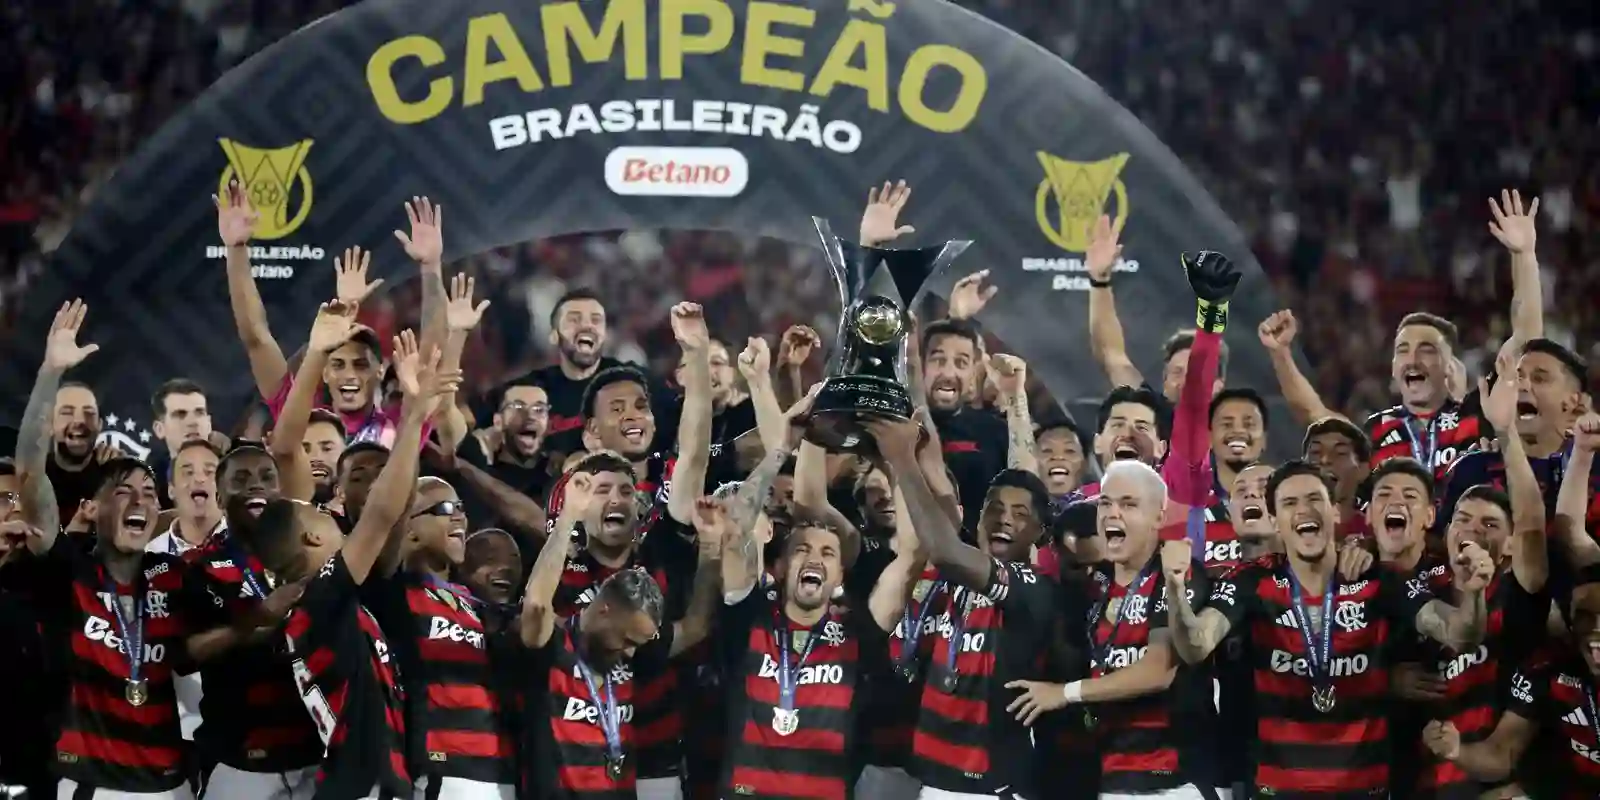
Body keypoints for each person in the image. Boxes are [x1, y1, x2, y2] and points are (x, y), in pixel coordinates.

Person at [1161, 460, 1495, 796]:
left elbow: (1460, 635)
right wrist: (1175, 590)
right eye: (1290, 504)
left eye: (1314, 499)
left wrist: (1474, 593)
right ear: (1275, 521)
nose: (1304, 510)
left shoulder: (1380, 579)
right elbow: (1195, 645)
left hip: (1364, 790)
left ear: (1335, 511)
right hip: (1278, 790)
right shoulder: (1251, 582)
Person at [237, 329, 457, 799]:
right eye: (321, 513)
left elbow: (384, 520)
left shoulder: (323, 603)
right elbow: (379, 515)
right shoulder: (321, 597)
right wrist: (415, 417)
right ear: (313, 537)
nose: (331, 515)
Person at [1006, 460, 1216, 799]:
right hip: (1113, 779)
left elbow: (1157, 671)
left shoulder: (1176, 575)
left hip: (1174, 783)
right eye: (1105, 502)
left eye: (1128, 504)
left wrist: (1064, 693)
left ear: (1158, 518)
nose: (1111, 513)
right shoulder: (1097, 588)